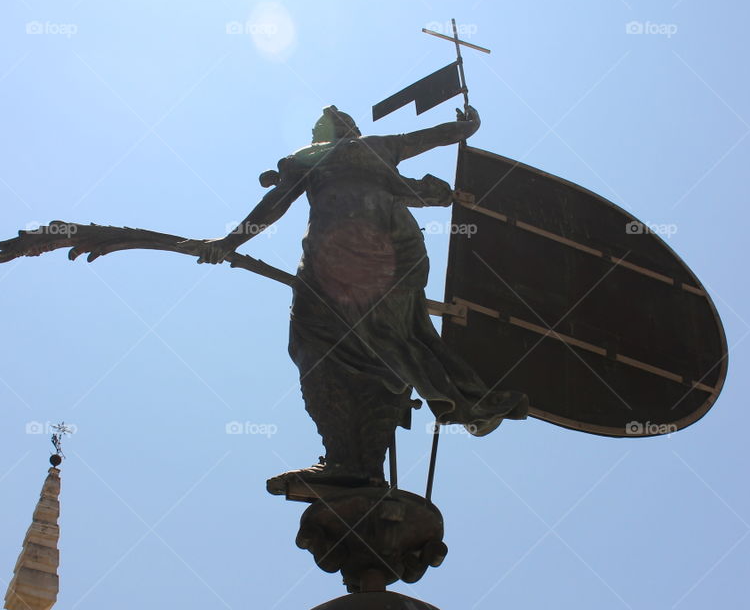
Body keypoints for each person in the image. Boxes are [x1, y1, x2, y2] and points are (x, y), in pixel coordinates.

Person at [199, 105, 527, 488]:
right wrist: (230, 241)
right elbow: (276, 203)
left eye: (327, 123)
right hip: (353, 257)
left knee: (362, 342)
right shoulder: (338, 153)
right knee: (341, 345)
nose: (325, 127)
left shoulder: (350, 149)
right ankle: (351, 461)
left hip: (370, 254)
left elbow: (425, 138)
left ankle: (360, 456)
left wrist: (464, 127)